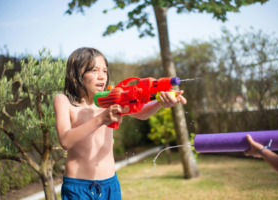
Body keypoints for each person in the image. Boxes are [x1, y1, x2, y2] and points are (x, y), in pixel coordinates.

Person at [53, 47, 187, 200]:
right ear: (76, 74)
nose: (102, 77)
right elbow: (65, 140)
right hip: (78, 187)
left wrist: (159, 103)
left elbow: (141, 113)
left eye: (104, 71)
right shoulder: (64, 101)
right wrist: (101, 119)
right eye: (94, 70)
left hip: (110, 185)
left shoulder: (111, 97)